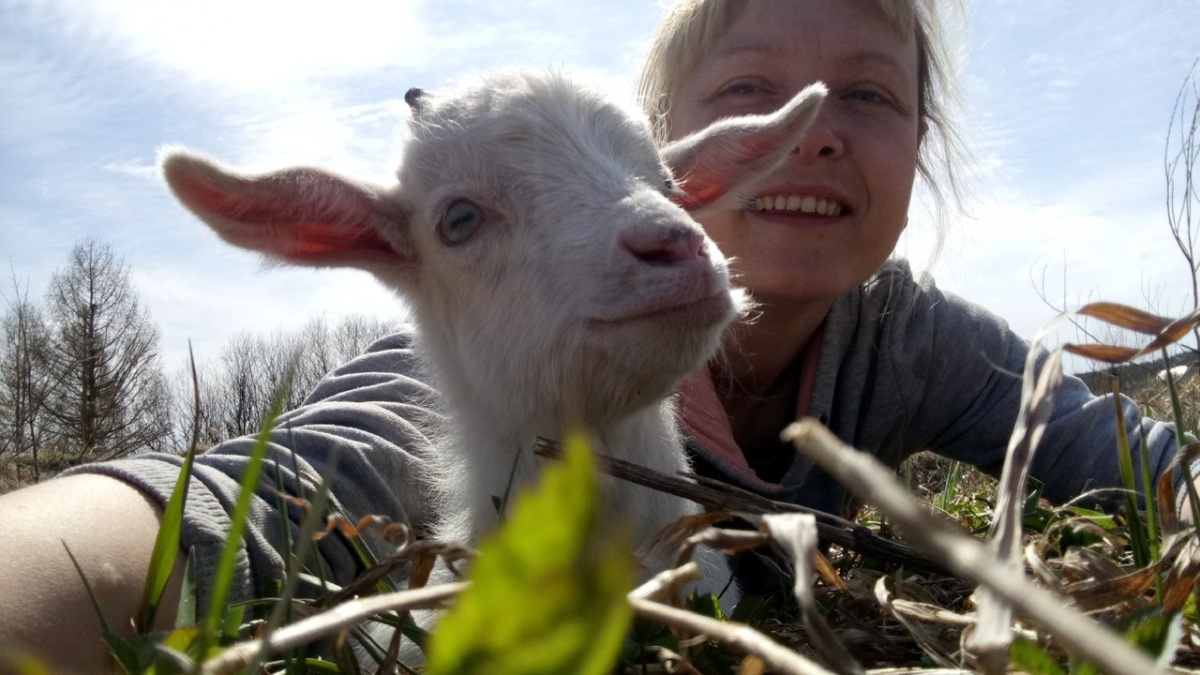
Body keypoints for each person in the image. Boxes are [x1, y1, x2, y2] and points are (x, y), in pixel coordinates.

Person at [0, 0, 1183, 670]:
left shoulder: (909, 341)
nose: (820, 137)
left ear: (679, 183)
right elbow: (231, 503)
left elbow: (1135, 462)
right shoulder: (442, 379)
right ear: (695, 151)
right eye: (464, 219)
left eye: (870, 98)